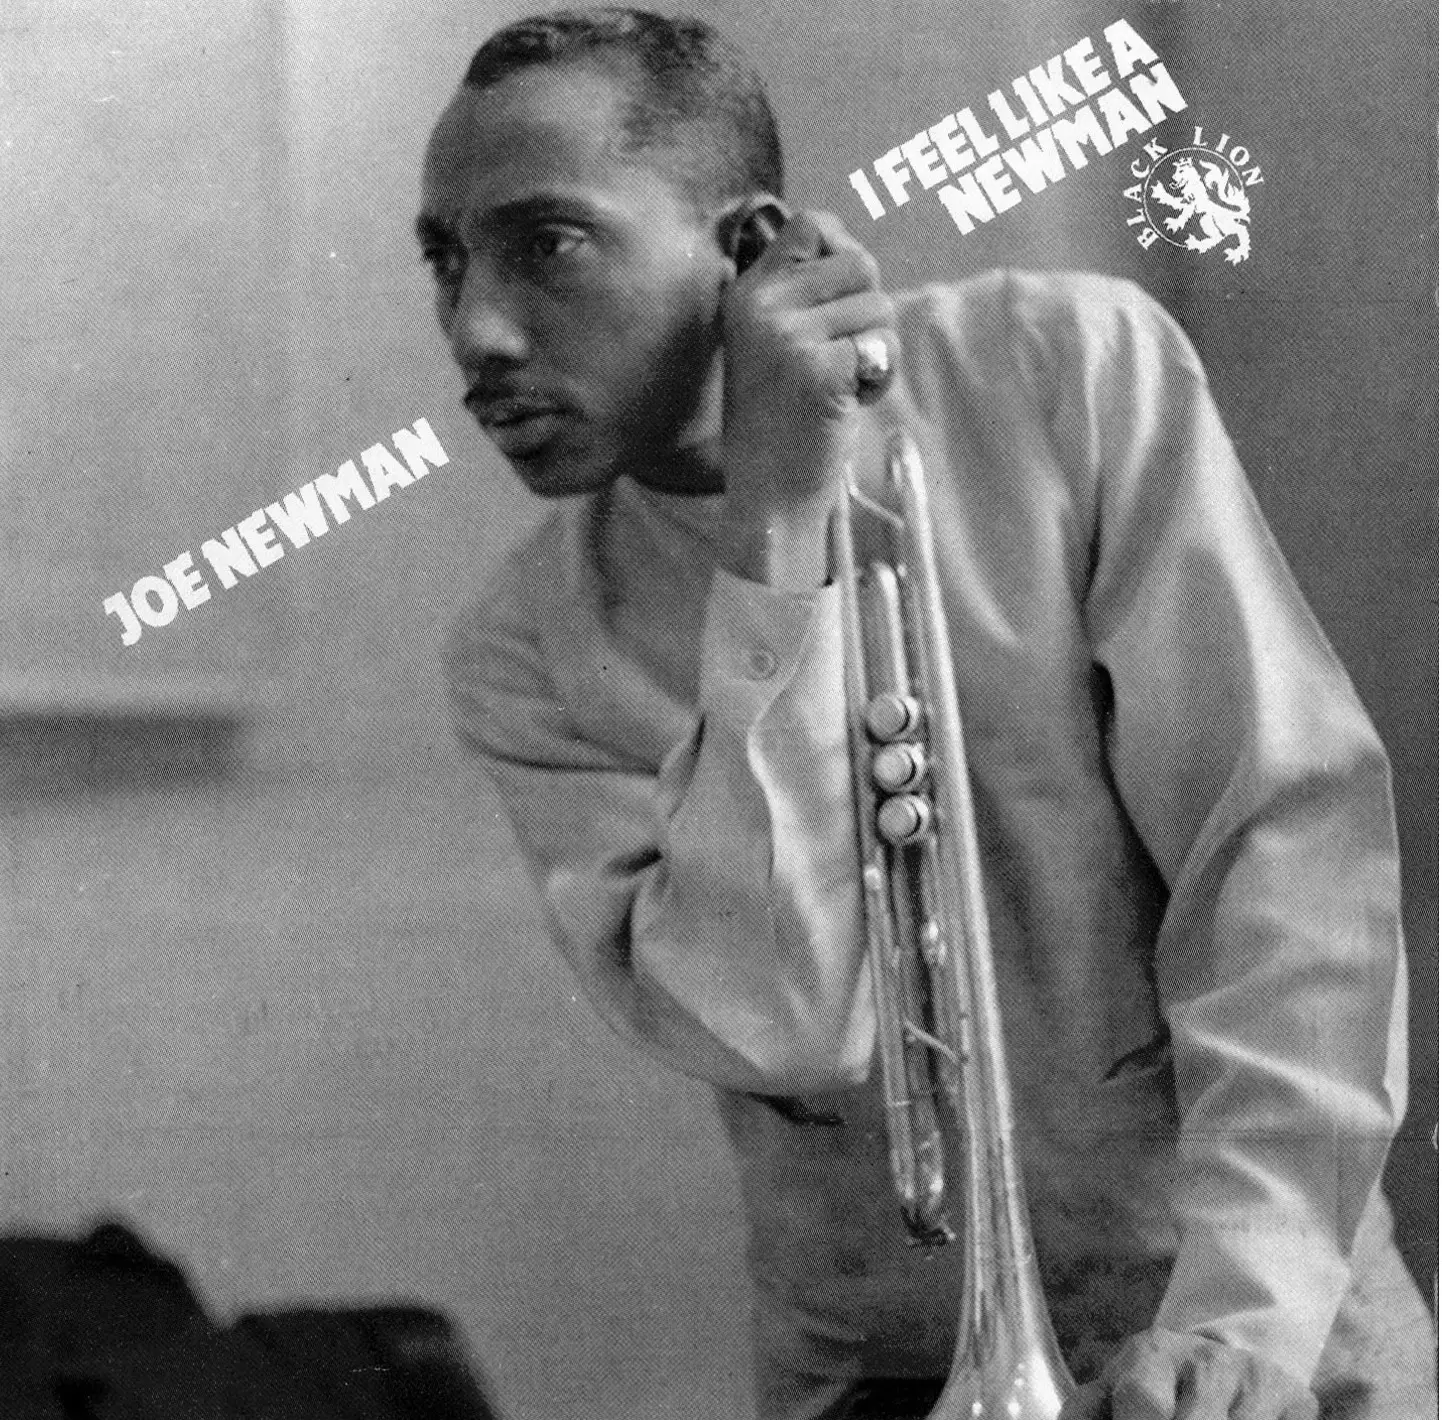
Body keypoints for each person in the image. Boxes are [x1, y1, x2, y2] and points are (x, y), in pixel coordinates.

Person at [421, 9, 1434, 1418]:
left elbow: (1280, 852)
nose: (475, 329)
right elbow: (785, 1024)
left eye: (547, 243)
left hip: (1262, 1334)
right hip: (879, 1370)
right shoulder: (524, 648)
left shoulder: (1066, 367)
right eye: (445, 261)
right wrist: (780, 523)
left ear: (747, 249)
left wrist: (1244, 1313)